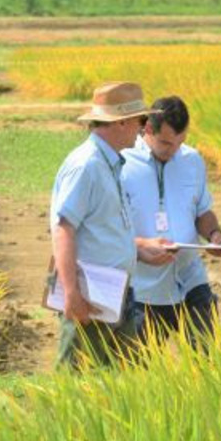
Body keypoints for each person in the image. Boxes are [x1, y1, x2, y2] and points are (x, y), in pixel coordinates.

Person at [50, 82, 174, 368]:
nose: (144, 129)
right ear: (121, 122)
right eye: (141, 121)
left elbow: (100, 231)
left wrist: (140, 252)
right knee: (78, 387)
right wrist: (71, 294)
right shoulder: (87, 165)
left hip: (117, 293)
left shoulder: (111, 163)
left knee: (126, 386)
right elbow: (63, 228)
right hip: (90, 294)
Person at [122, 96, 221, 348]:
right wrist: (140, 245)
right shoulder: (122, 163)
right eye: (166, 143)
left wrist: (215, 235)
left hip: (189, 278)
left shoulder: (191, 160)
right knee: (139, 373)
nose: (173, 151)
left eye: (179, 143)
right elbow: (108, 227)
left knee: (206, 361)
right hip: (143, 289)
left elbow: (202, 211)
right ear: (148, 129)